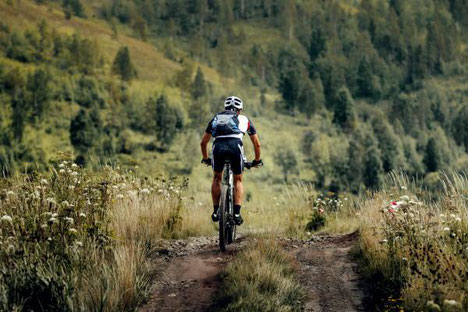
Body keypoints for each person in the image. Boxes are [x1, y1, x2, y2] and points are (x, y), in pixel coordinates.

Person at [200, 96, 262, 225]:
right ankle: (237, 213)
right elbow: (257, 144)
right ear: (239, 110)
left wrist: (206, 158)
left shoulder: (216, 118)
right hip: (235, 147)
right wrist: (256, 160)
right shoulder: (244, 119)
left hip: (218, 147)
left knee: (217, 177)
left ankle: (216, 211)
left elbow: (203, 142)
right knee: (238, 179)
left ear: (225, 108)